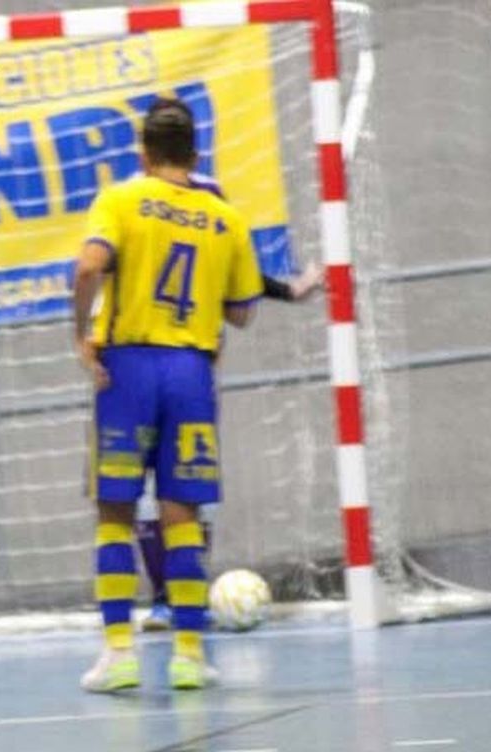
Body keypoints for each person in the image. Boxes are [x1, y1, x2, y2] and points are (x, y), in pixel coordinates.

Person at [71, 98, 262, 692]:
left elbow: (87, 267)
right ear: (196, 155)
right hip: (191, 374)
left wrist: (81, 333)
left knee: (115, 514)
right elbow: (243, 312)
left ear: (144, 154)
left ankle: (120, 653)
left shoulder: (123, 199)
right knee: (182, 515)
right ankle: (187, 654)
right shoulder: (224, 216)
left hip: (127, 369)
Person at [135, 174, 325, 632]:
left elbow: (241, 289)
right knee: (180, 487)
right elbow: (241, 307)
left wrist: (291, 288)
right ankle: (177, 597)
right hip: (176, 382)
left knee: (164, 491)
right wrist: (291, 289)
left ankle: (173, 598)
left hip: (155, 383)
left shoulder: (183, 254)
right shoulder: (175, 252)